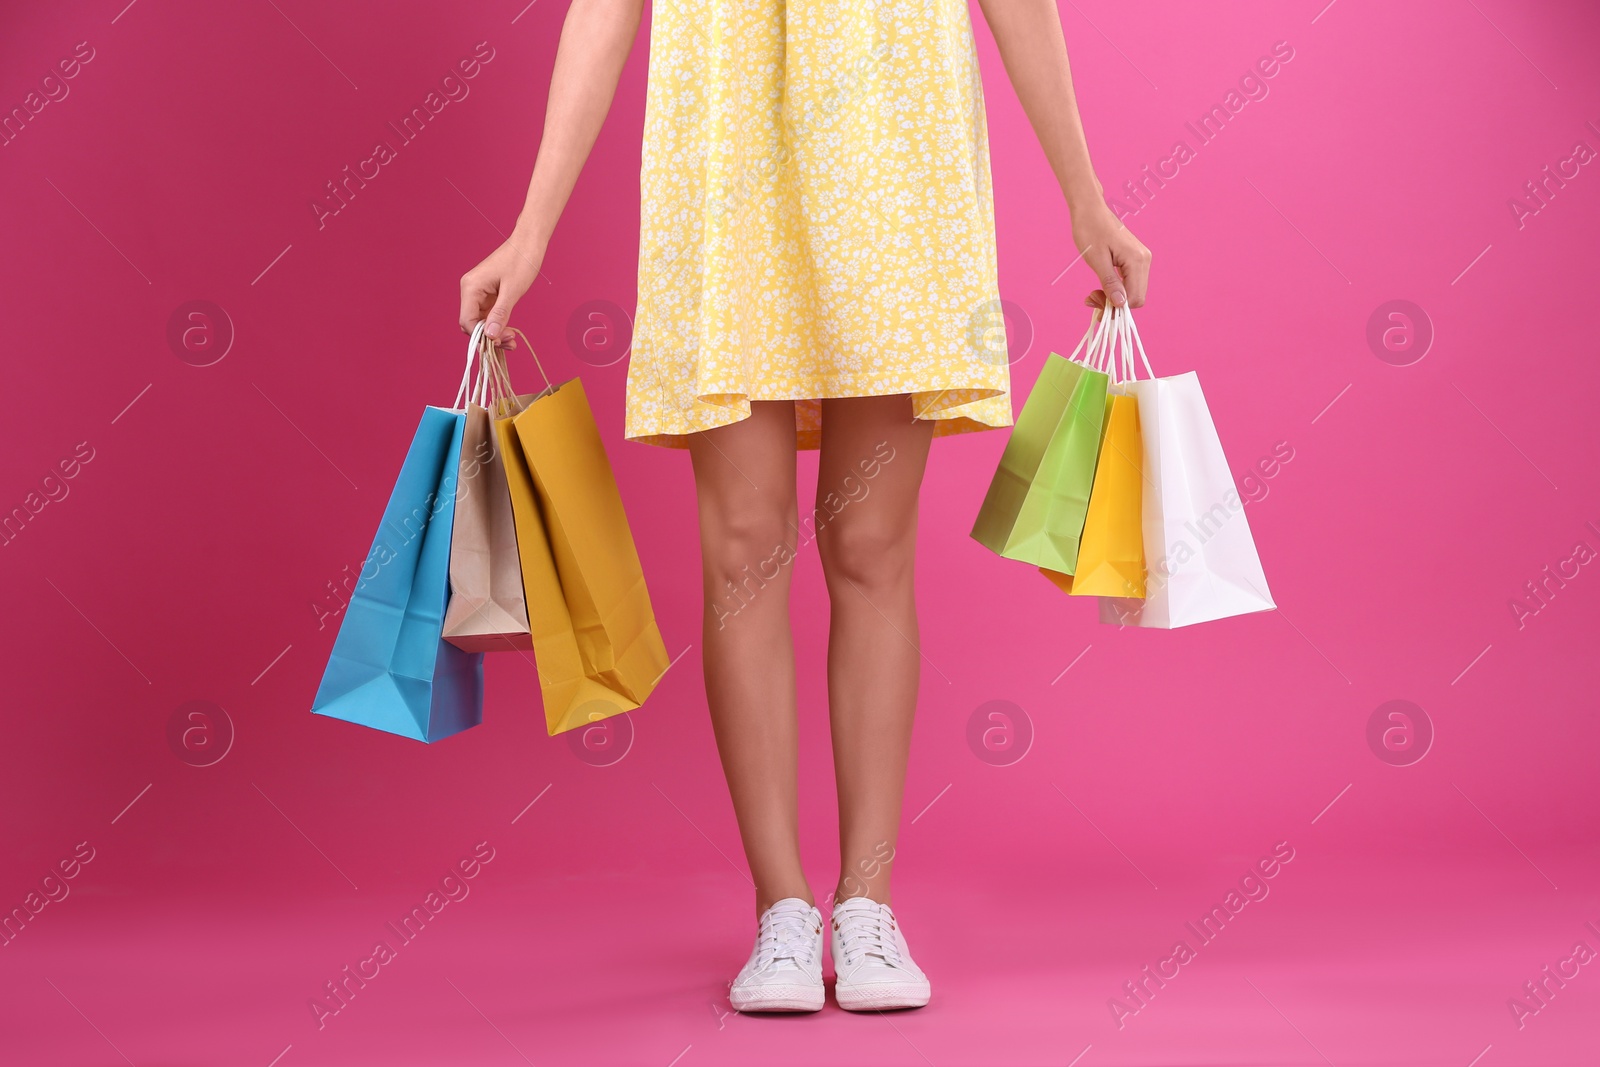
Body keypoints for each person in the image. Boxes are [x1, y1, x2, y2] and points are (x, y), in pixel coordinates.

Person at [459, 0, 1150, 1014]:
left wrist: (1086, 199)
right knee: (743, 548)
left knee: (870, 544)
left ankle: (866, 901)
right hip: (726, 152)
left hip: (891, 154)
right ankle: (781, 904)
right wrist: (531, 230)